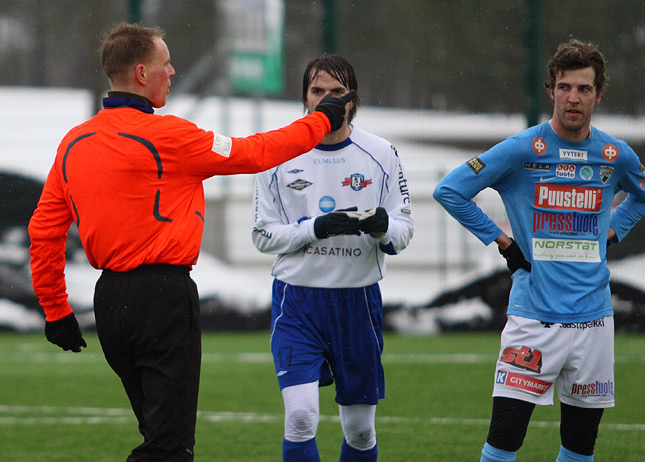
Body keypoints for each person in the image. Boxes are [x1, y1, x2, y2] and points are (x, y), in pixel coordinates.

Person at [28, 23, 354, 462]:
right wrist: (322, 120)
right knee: (169, 447)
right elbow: (254, 152)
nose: (174, 71)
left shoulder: (74, 142)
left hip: (109, 304)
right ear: (142, 73)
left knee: (159, 436)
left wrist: (55, 310)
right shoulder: (170, 136)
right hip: (162, 299)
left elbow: (44, 230)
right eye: (166, 64)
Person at [433, 39, 645, 462]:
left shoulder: (614, 155)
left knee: (580, 448)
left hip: (593, 322)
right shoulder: (521, 149)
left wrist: (613, 232)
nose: (573, 97)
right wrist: (502, 242)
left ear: (598, 95)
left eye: (584, 89)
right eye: (565, 86)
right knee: (503, 442)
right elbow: (451, 190)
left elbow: (640, 195)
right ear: (551, 90)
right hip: (533, 318)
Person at [252, 54, 414, 462]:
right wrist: (315, 228)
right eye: (317, 91)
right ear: (304, 99)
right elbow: (262, 234)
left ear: (353, 100)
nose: (327, 100)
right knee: (302, 417)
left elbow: (403, 228)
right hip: (298, 302)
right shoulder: (277, 154)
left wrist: (381, 226)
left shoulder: (381, 153)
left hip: (357, 302)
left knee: (360, 432)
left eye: (337, 92)